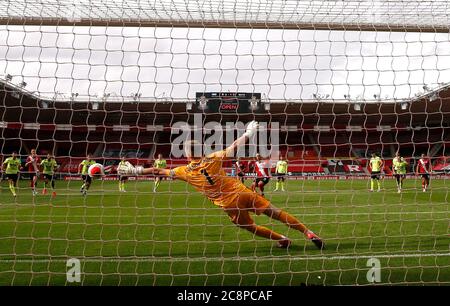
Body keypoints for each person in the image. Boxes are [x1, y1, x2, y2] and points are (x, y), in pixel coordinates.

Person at [121, 121, 324, 249]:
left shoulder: (184, 171)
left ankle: (282, 239)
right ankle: (307, 232)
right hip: (242, 191)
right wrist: (249, 133)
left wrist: (135, 171)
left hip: (229, 203)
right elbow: (235, 146)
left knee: (250, 227)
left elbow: (157, 171)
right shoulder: (214, 158)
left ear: (187, 155)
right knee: (276, 212)